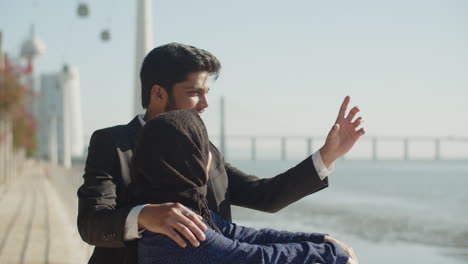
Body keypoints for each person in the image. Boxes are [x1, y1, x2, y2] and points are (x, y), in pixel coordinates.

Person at [77, 42, 364, 264]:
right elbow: (91, 224)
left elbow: (263, 197)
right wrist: (144, 216)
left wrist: (327, 156)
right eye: (194, 93)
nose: (205, 104)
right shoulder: (111, 143)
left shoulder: (204, 149)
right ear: (158, 94)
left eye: (207, 92)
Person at [132, 109, 350, 264]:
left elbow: (246, 235)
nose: (209, 155)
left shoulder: (175, 211)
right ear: (192, 161)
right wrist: (333, 254)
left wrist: (321, 240)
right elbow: (253, 257)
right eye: (202, 146)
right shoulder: (179, 230)